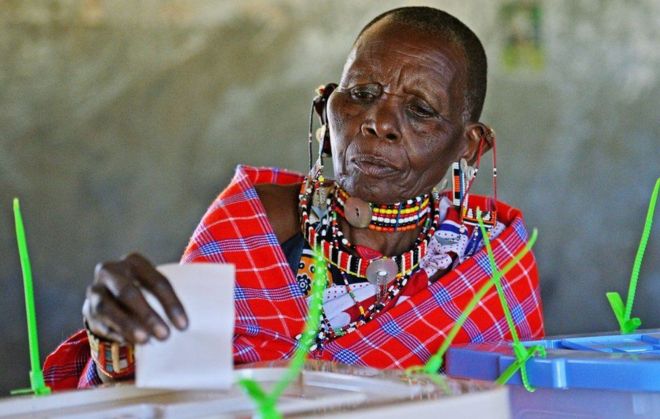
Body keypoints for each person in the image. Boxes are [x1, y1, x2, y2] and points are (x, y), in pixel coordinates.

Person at [43, 6, 544, 390]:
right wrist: (115, 340)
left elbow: (519, 402)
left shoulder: (492, 265)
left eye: (420, 110)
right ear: (327, 109)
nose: (380, 124)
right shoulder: (254, 223)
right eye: (363, 94)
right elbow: (164, 390)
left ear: (469, 145)